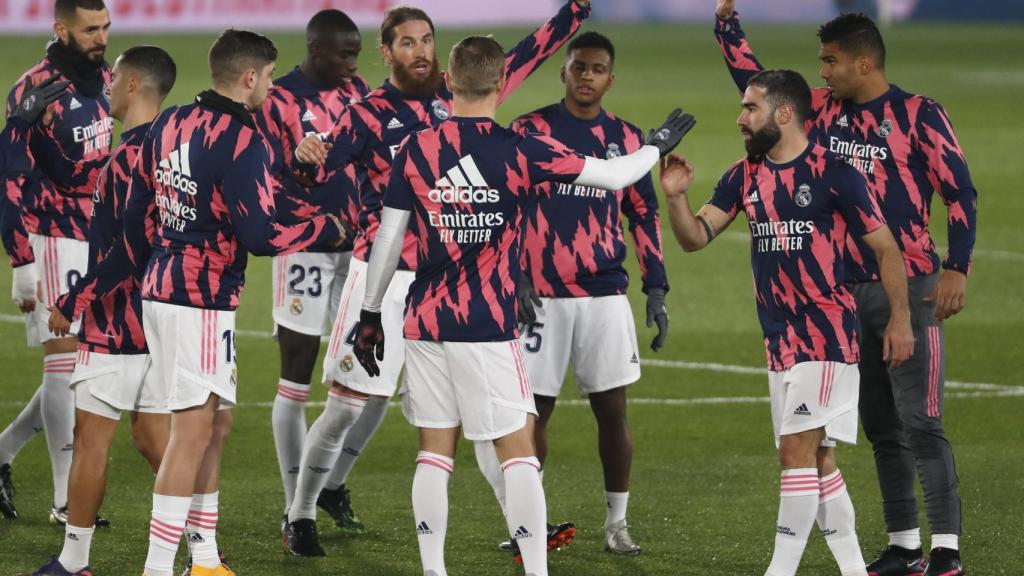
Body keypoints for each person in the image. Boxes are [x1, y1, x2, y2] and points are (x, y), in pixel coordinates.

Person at [352, 35, 692, 576]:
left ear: (448, 81)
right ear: (502, 80)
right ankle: (536, 570)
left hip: (425, 319)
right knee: (518, 455)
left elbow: (389, 238)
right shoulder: (521, 148)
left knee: (434, 454)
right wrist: (656, 145)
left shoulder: (417, 148)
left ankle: (434, 570)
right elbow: (614, 176)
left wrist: (370, 313)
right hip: (487, 323)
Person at [282, 0, 594, 556]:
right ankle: (301, 509)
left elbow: (526, 54)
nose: (420, 51)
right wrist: (306, 156)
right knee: (349, 404)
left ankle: (524, 527)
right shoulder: (367, 113)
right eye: (407, 42)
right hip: (382, 275)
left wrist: (573, 12)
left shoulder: (463, 97)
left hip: (456, 282)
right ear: (387, 52)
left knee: (478, 410)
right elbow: (317, 169)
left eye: (427, 40)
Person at [714, 3, 977, 574]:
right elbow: (761, 91)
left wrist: (957, 265)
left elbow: (961, 192)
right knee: (880, 426)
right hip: (841, 292)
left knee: (921, 420)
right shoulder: (824, 110)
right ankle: (905, 544)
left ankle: (948, 551)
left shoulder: (919, 115)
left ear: (864, 62)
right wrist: (726, 26)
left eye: (830, 63)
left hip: (907, 283)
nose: (822, 74)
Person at [660, 68, 913, 576]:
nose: (740, 119)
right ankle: (854, 568)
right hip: (779, 339)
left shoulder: (833, 172)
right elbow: (694, 238)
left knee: (795, 453)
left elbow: (887, 248)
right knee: (819, 462)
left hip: (826, 332)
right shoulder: (743, 175)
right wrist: (676, 197)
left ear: (783, 113)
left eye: (750, 109)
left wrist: (901, 321)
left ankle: (779, 570)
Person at [116, 30, 345, 576]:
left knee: (214, 423)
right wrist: (322, 226)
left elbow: (138, 210)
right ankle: (156, 567)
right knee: (191, 432)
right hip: (201, 297)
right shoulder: (245, 139)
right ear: (249, 78)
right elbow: (261, 233)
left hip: (164, 287)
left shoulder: (169, 122)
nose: (271, 83)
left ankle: (205, 559)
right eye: (268, 75)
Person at [474, 30, 668, 558]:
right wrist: (511, 278)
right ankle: (528, 524)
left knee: (612, 409)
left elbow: (644, 214)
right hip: (540, 297)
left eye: (597, 68)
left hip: (604, 293)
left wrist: (657, 286)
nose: (586, 76)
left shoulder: (627, 139)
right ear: (563, 71)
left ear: (611, 77)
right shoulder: (530, 131)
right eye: (578, 67)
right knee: (531, 413)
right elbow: (501, 209)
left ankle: (617, 523)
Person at [16, 45, 177, 576]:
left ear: (131, 85)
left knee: (91, 443)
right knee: (159, 441)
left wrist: (75, 299)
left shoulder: (130, 156)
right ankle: (203, 551)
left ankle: (73, 561)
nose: (105, 87)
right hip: (163, 314)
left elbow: (129, 247)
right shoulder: (172, 144)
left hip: (118, 321)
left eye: (115, 81)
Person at [255, 8, 375, 535]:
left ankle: (329, 483)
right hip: (304, 247)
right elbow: (257, 177)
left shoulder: (362, 90)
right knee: (297, 376)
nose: (355, 61)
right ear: (316, 49)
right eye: (345, 52)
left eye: (357, 51)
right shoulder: (275, 100)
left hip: (362, 247)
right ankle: (292, 507)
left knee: (372, 375)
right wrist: (299, 170)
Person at [0, 0, 113, 524]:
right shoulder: (33, 91)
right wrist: (20, 260)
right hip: (49, 238)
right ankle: (66, 501)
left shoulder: (103, 77)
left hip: (94, 234)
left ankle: (1, 453)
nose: (101, 37)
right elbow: (10, 176)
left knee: (76, 370)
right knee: (64, 366)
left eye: (106, 26)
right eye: (90, 29)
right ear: (60, 29)